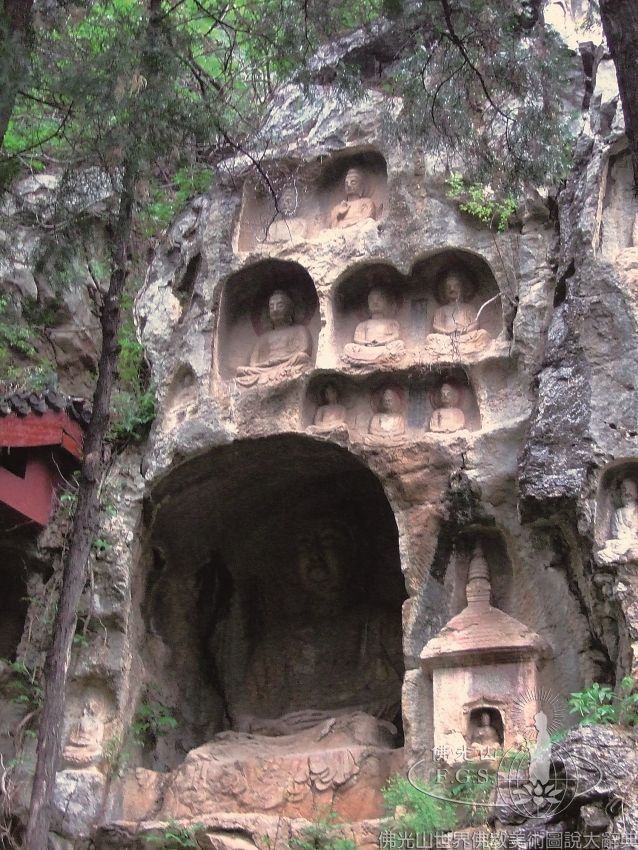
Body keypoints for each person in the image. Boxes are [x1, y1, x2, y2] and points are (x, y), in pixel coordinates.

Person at [231, 523, 402, 737]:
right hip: (284, 738)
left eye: (328, 542)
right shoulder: (278, 642)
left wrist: (337, 717)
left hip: (348, 734)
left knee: (363, 733)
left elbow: (411, 694)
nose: (315, 556)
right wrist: (274, 726)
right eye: (305, 546)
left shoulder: (381, 626)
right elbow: (243, 714)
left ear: (353, 556)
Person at [235, 290, 312, 387]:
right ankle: (274, 375)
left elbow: (304, 349)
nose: (275, 310)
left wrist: (281, 360)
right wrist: (267, 364)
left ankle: (272, 375)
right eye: (271, 307)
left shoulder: (300, 330)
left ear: (290, 309)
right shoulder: (263, 337)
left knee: (302, 357)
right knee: (241, 370)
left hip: (288, 362)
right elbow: (253, 362)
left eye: (280, 306)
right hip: (266, 367)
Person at [425, 271, 491, 356]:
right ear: (443, 291)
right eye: (448, 287)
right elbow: (436, 326)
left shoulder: (469, 308)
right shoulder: (441, 310)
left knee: (483, 334)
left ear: (462, 288)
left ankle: (462, 349)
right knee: (430, 338)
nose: (452, 289)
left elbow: (475, 324)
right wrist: (447, 332)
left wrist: (465, 331)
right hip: (447, 339)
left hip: (465, 337)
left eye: (456, 286)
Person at [343, 286, 405, 366]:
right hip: (366, 349)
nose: (375, 302)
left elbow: (395, 336)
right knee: (348, 347)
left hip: (383, 348)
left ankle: (364, 361)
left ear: (386, 303)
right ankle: (379, 359)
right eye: (371, 300)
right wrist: (368, 343)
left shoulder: (391, 322)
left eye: (379, 299)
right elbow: (357, 339)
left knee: (399, 344)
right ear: (368, 304)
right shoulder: (362, 324)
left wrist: (380, 343)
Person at [597, 477, 638, 565]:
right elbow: (616, 533)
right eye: (624, 490)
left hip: (635, 542)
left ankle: (627, 557)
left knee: (635, 549)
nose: (627, 492)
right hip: (621, 543)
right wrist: (624, 538)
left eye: (630, 490)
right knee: (605, 549)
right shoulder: (618, 513)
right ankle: (626, 557)